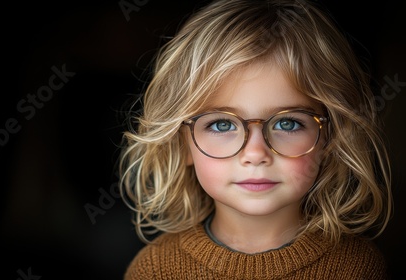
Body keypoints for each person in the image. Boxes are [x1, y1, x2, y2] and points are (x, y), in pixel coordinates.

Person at [117, 0, 393, 279]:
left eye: (288, 123)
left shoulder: (357, 268)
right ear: (183, 144)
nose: (256, 153)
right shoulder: (154, 270)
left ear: (328, 140)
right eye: (222, 124)